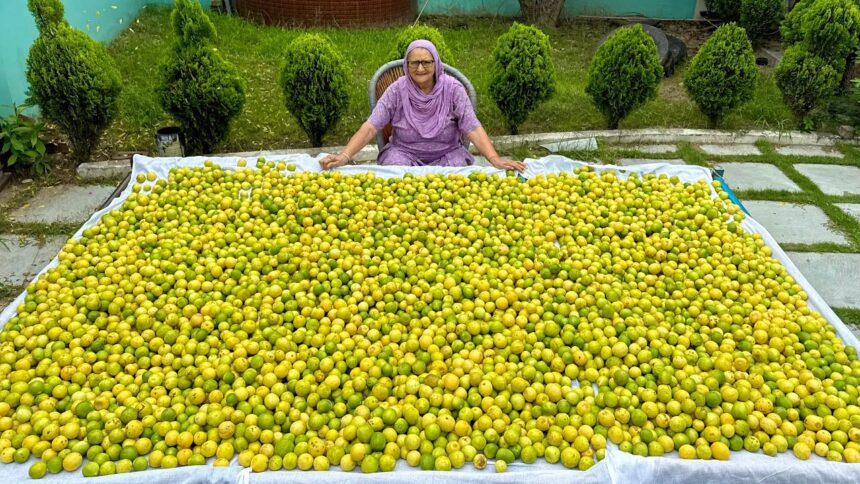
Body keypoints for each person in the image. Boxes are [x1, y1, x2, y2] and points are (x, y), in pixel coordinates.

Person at [320, 39, 525, 172]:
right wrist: (344, 156)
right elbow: (371, 126)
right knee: (395, 175)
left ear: (436, 63)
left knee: (455, 183)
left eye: (426, 62)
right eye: (414, 63)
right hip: (403, 154)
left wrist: (495, 159)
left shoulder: (453, 89)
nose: (420, 68)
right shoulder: (397, 89)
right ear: (406, 65)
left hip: (447, 155)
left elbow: (472, 127)